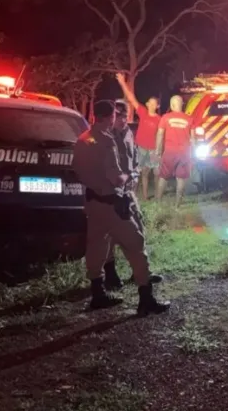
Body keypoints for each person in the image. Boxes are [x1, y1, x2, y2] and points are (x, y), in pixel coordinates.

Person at [73, 100, 169, 315]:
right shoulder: (106, 141)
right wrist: (128, 176)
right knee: (136, 243)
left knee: (96, 245)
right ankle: (146, 298)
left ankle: (98, 293)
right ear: (111, 117)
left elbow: (76, 170)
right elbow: (116, 178)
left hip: (92, 202)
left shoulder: (83, 139)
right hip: (112, 202)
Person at [102, 101, 163, 290]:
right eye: (118, 115)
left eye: (125, 115)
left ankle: (141, 273)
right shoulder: (105, 135)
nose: (122, 119)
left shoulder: (128, 133)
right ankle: (110, 275)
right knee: (110, 237)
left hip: (128, 192)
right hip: (110, 194)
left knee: (139, 230)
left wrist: (134, 175)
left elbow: (133, 159)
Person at [115, 73, 161, 201]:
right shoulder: (143, 112)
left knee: (154, 173)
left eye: (154, 104)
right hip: (141, 148)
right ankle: (140, 196)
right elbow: (131, 97)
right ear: (147, 104)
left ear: (157, 106)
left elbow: (161, 135)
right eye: (150, 103)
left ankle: (156, 196)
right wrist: (122, 82)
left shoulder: (160, 119)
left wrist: (159, 150)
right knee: (139, 173)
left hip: (153, 149)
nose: (152, 105)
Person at [155, 95, 193, 206]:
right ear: (182, 105)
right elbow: (193, 138)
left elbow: (160, 134)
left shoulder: (165, 117)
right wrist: (192, 154)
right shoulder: (189, 119)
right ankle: (177, 205)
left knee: (163, 177)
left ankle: (158, 202)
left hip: (170, 152)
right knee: (181, 179)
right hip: (184, 153)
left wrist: (158, 150)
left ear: (172, 105)